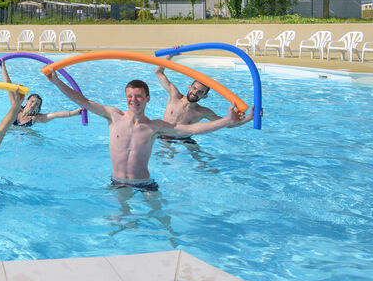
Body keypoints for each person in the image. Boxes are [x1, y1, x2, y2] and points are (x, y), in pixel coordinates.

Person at [45, 71, 251, 191]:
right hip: (117, 183)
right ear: (126, 97)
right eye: (130, 96)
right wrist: (55, 80)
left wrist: (226, 120)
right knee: (118, 225)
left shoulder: (155, 126)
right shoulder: (113, 115)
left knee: (166, 229)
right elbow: (81, 100)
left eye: (139, 96)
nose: (134, 100)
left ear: (148, 99)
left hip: (146, 184)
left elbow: (193, 128)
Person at [0, 60, 83, 127]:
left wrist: (74, 113)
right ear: (27, 101)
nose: (33, 105)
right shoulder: (16, 107)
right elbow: (8, 86)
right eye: (32, 102)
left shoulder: (35, 118)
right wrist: (3, 68)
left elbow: (55, 115)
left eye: (36, 104)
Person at [153, 65, 221, 145]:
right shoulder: (174, 95)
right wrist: (169, 56)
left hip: (185, 140)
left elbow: (227, 123)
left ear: (204, 96)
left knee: (201, 157)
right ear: (189, 87)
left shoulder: (203, 112)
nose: (195, 93)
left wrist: (238, 117)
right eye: (194, 88)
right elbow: (158, 72)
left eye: (200, 92)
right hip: (164, 136)